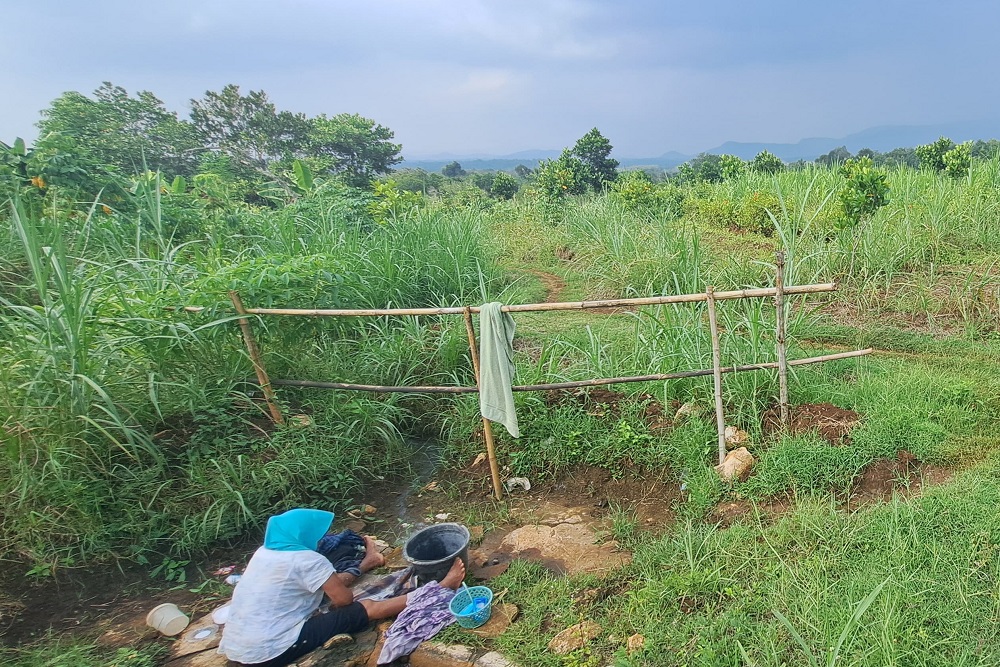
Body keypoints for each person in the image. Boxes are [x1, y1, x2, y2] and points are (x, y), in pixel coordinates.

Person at [218, 508, 465, 667]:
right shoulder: (307, 560)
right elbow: (344, 599)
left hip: (237, 647)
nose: (320, 540)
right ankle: (439, 588)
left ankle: (370, 561)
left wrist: (362, 566)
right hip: (270, 651)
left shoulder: (263, 553)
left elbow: (324, 584)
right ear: (303, 535)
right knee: (361, 608)